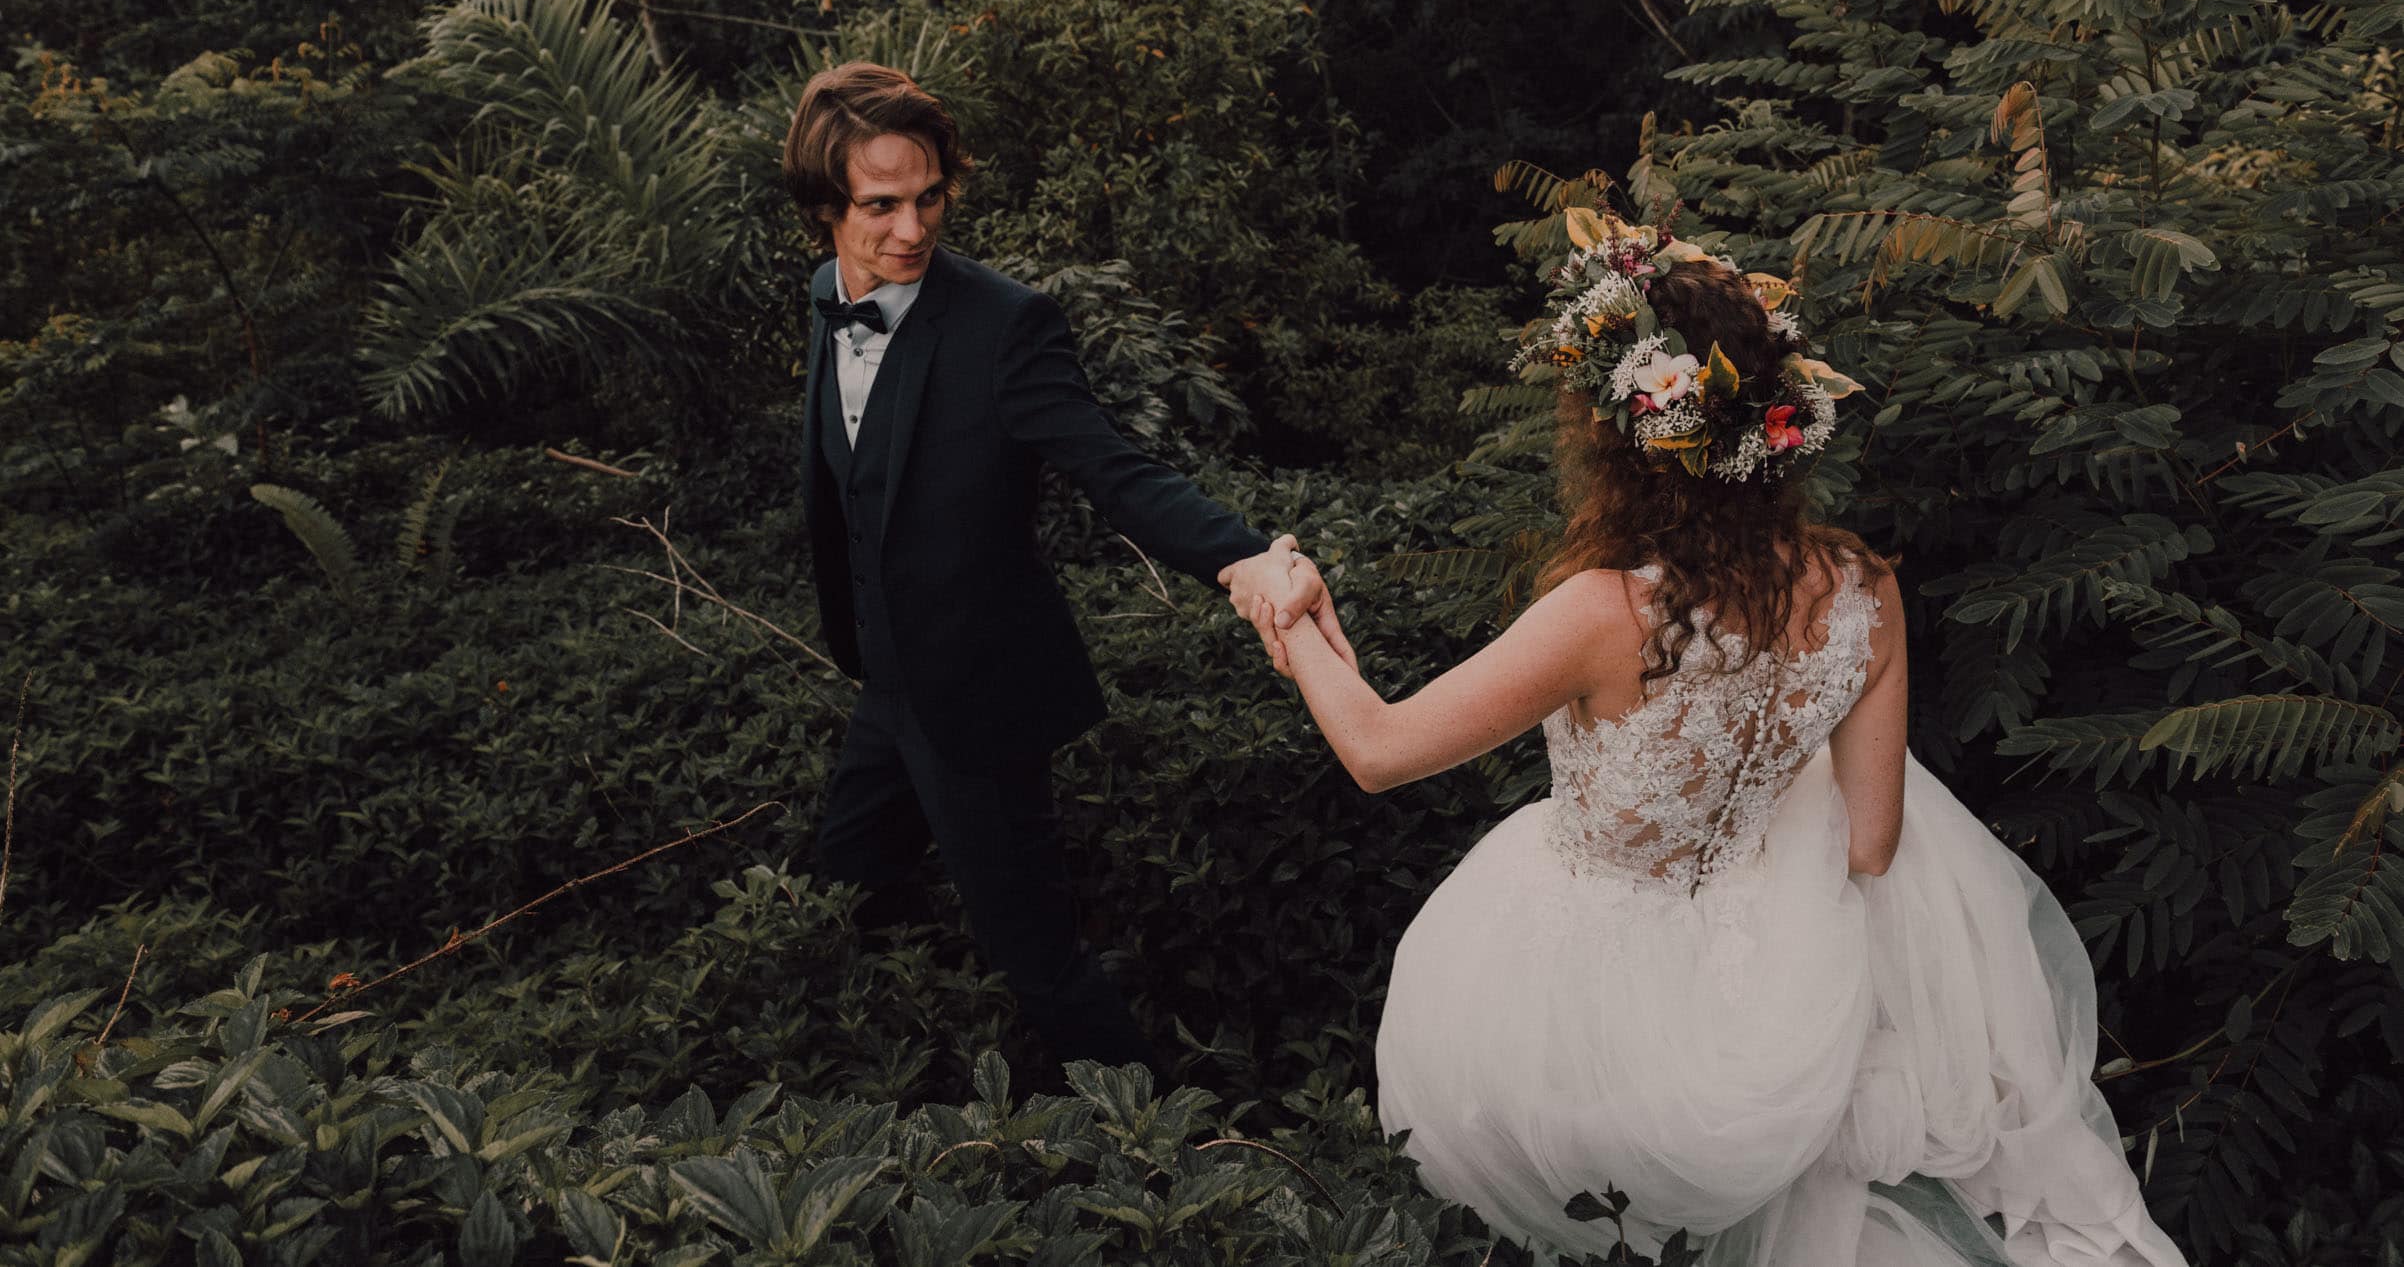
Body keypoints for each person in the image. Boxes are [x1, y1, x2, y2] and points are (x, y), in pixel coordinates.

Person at [1242, 219, 2188, 1265]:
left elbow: (1377, 747)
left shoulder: (1603, 612)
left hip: (1571, 1008)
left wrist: (1281, 600)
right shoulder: (1863, 587)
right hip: (1769, 1007)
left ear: (1622, 437)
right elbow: (1871, 844)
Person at [786, 61, 1343, 1075]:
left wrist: (1244, 560)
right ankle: (882, 1082)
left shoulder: (1004, 325)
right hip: (885, 684)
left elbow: (1118, 471)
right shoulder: (827, 296)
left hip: (980, 694)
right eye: (881, 206)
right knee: (845, 884)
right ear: (826, 206)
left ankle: (1159, 1132)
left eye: (930, 198)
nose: (912, 228)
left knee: (1037, 956)